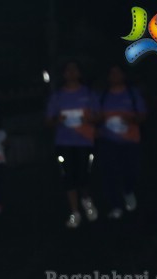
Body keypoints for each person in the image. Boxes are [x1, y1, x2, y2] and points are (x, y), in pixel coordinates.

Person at [46, 61, 99, 229]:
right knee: (68, 178)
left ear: (79, 73)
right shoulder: (57, 96)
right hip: (63, 142)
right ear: (64, 74)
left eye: (74, 69)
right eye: (67, 70)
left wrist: (89, 119)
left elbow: (99, 116)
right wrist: (57, 120)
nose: (71, 72)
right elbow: (48, 121)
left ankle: (86, 201)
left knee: (83, 176)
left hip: (84, 142)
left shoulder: (89, 94)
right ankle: (74, 211)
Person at [97, 64, 146, 220]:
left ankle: (128, 190)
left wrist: (131, 119)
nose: (115, 76)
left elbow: (143, 116)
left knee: (132, 171)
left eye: (118, 72)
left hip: (130, 141)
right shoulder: (103, 96)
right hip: (109, 142)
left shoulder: (133, 94)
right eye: (112, 73)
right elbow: (95, 117)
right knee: (110, 174)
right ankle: (116, 206)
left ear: (124, 75)